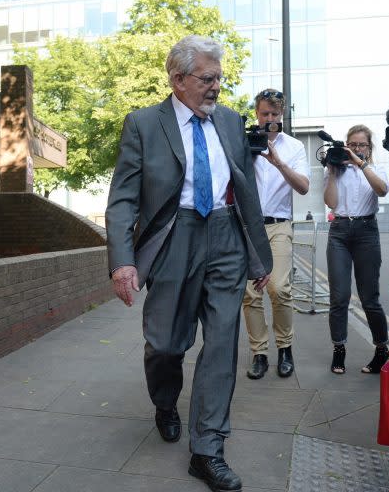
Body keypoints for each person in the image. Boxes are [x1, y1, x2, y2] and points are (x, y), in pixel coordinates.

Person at [105, 35, 272, 492]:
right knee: (165, 344)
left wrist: (258, 254)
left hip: (225, 238)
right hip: (174, 235)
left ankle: (208, 448)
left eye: (219, 77)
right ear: (178, 80)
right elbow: (122, 201)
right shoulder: (143, 124)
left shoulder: (233, 124)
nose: (217, 86)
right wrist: (122, 262)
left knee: (221, 344)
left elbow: (246, 192)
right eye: (207, 78)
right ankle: (165, 402)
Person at [243, 88, 310, 380]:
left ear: (281, 115)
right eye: (264, 114)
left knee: (279, 289)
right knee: (250, 294)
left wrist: (278, 162)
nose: (268, 119)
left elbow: (305, 187)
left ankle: (285, 348)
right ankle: (259, 352)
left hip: (279, 224)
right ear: (256, 114)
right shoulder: (242, 144)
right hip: (247, 226)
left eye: (274, 114)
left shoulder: (294, 146)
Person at [323, 125, 389, 374]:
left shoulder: (376, 168)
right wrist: (331, 172)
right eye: (352, 144)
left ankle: (381, 349)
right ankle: (338, 349)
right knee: (339, 296)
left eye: (362, 145)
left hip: (366, 232)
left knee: (369, 297)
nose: (357, 149)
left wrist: (361, 165)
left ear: (369, 148)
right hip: (339, 231)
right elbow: (330, 202)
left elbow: (382, 190)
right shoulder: (336, 169)